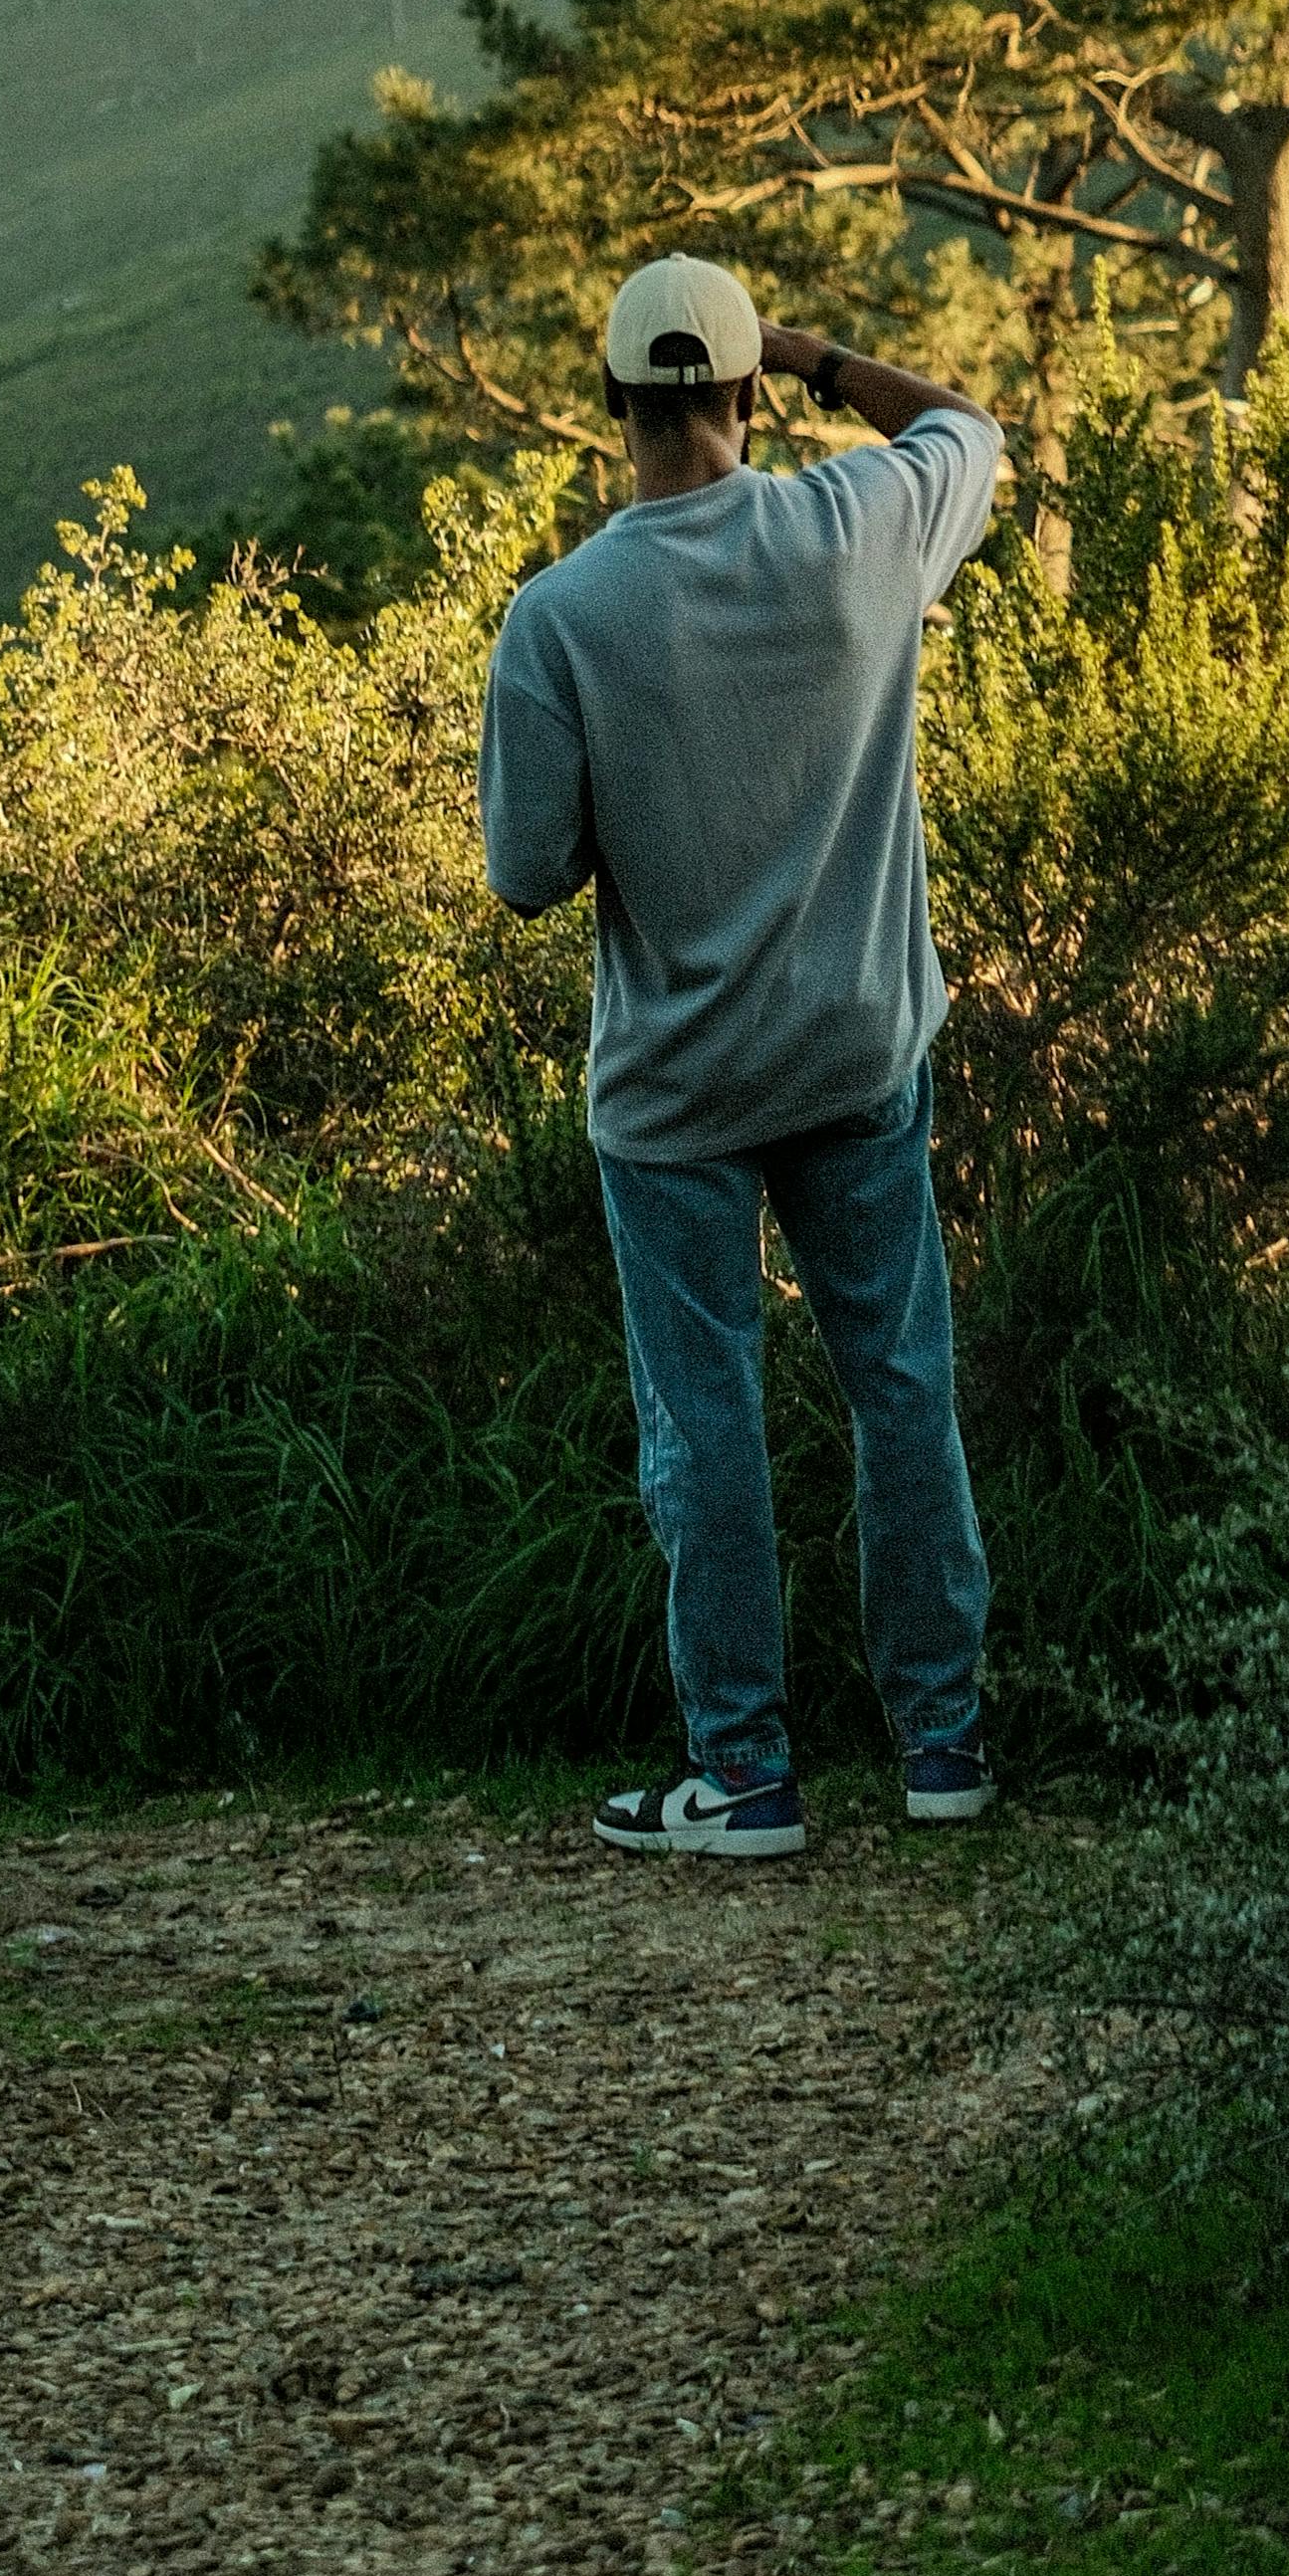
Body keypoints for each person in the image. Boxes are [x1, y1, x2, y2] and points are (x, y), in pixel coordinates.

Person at [480, 248, 1006, 1862]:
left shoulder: (560, 619)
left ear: (617, 407)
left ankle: (749, 1779)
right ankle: (942, 1748)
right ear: (743, 389)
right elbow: (974, 434)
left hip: (679, 1096)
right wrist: (831, 356)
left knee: (703, 1424)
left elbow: (527, 872)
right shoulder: (859, 532)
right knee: (900, 1388)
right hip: (854, 1049)